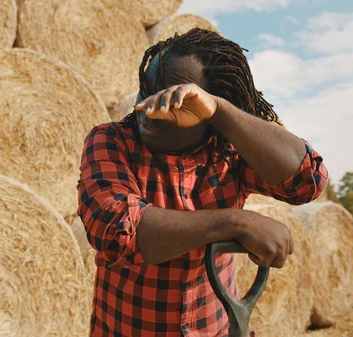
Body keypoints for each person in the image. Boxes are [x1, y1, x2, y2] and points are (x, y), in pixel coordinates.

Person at [76, 28, 328, 337]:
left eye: (173, 100)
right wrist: (237, 223)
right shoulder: (112, 140)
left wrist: (221, 113)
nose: (149, 109)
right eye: (146, 90)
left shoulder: (227, 153)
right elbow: (117, 230)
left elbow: (306, 182)